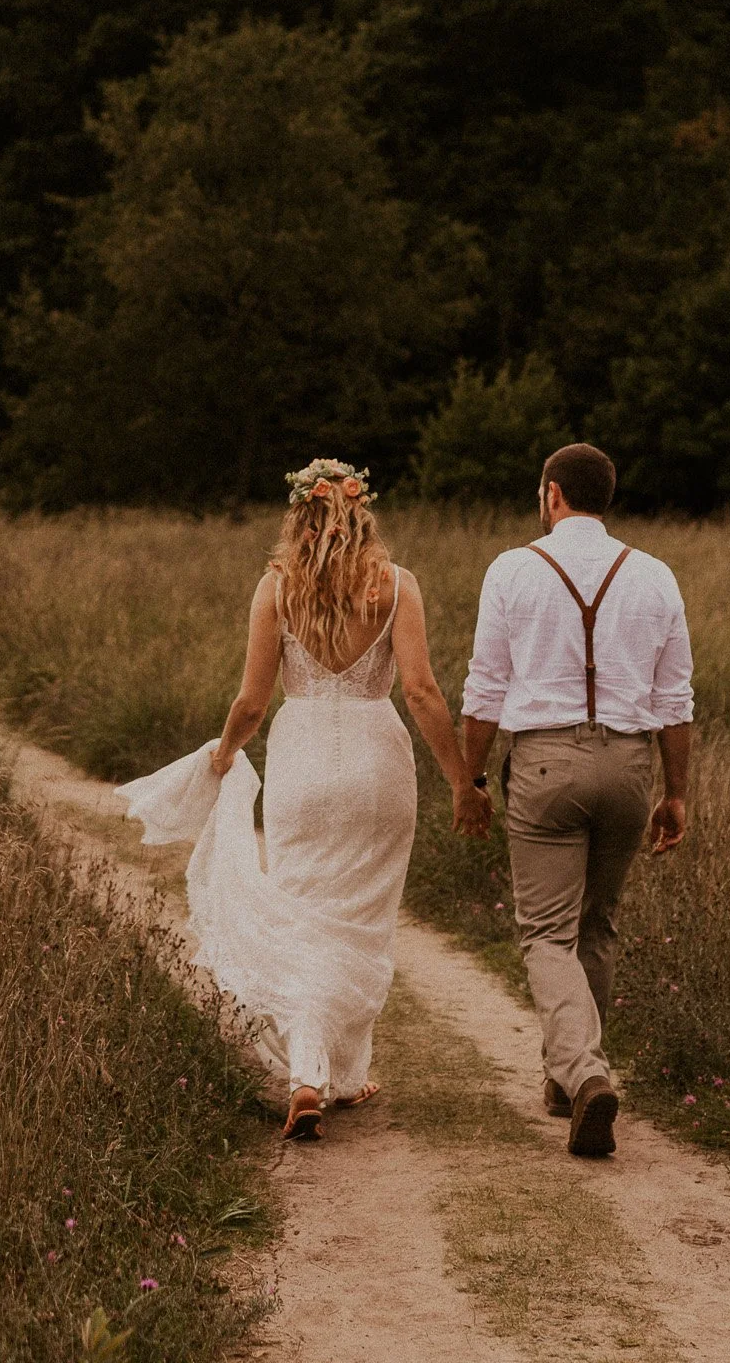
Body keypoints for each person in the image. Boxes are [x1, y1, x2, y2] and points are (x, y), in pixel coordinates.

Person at [118, 459, 491, 1141]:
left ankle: (317, 1075)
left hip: (301, 762)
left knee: (302, 915)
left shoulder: (275, 588)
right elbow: (421, 693)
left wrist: (224, 753)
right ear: (362, 514)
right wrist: (462, 782)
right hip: (379, 763)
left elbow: (251, 702)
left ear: (299, 518)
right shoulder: (396, 585)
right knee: (360, 919)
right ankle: (329, 1073)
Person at [462, 442, 694, 1159]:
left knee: (545, 933)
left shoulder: (512, 569)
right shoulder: (654, 576)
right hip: (628, 765)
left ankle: (585, 1071)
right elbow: (674, 699)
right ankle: (566, 1083)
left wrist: (468, 778)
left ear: (552, 494)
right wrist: (675, 793)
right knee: (596, 926)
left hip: (543, 764)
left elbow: (485, 690)